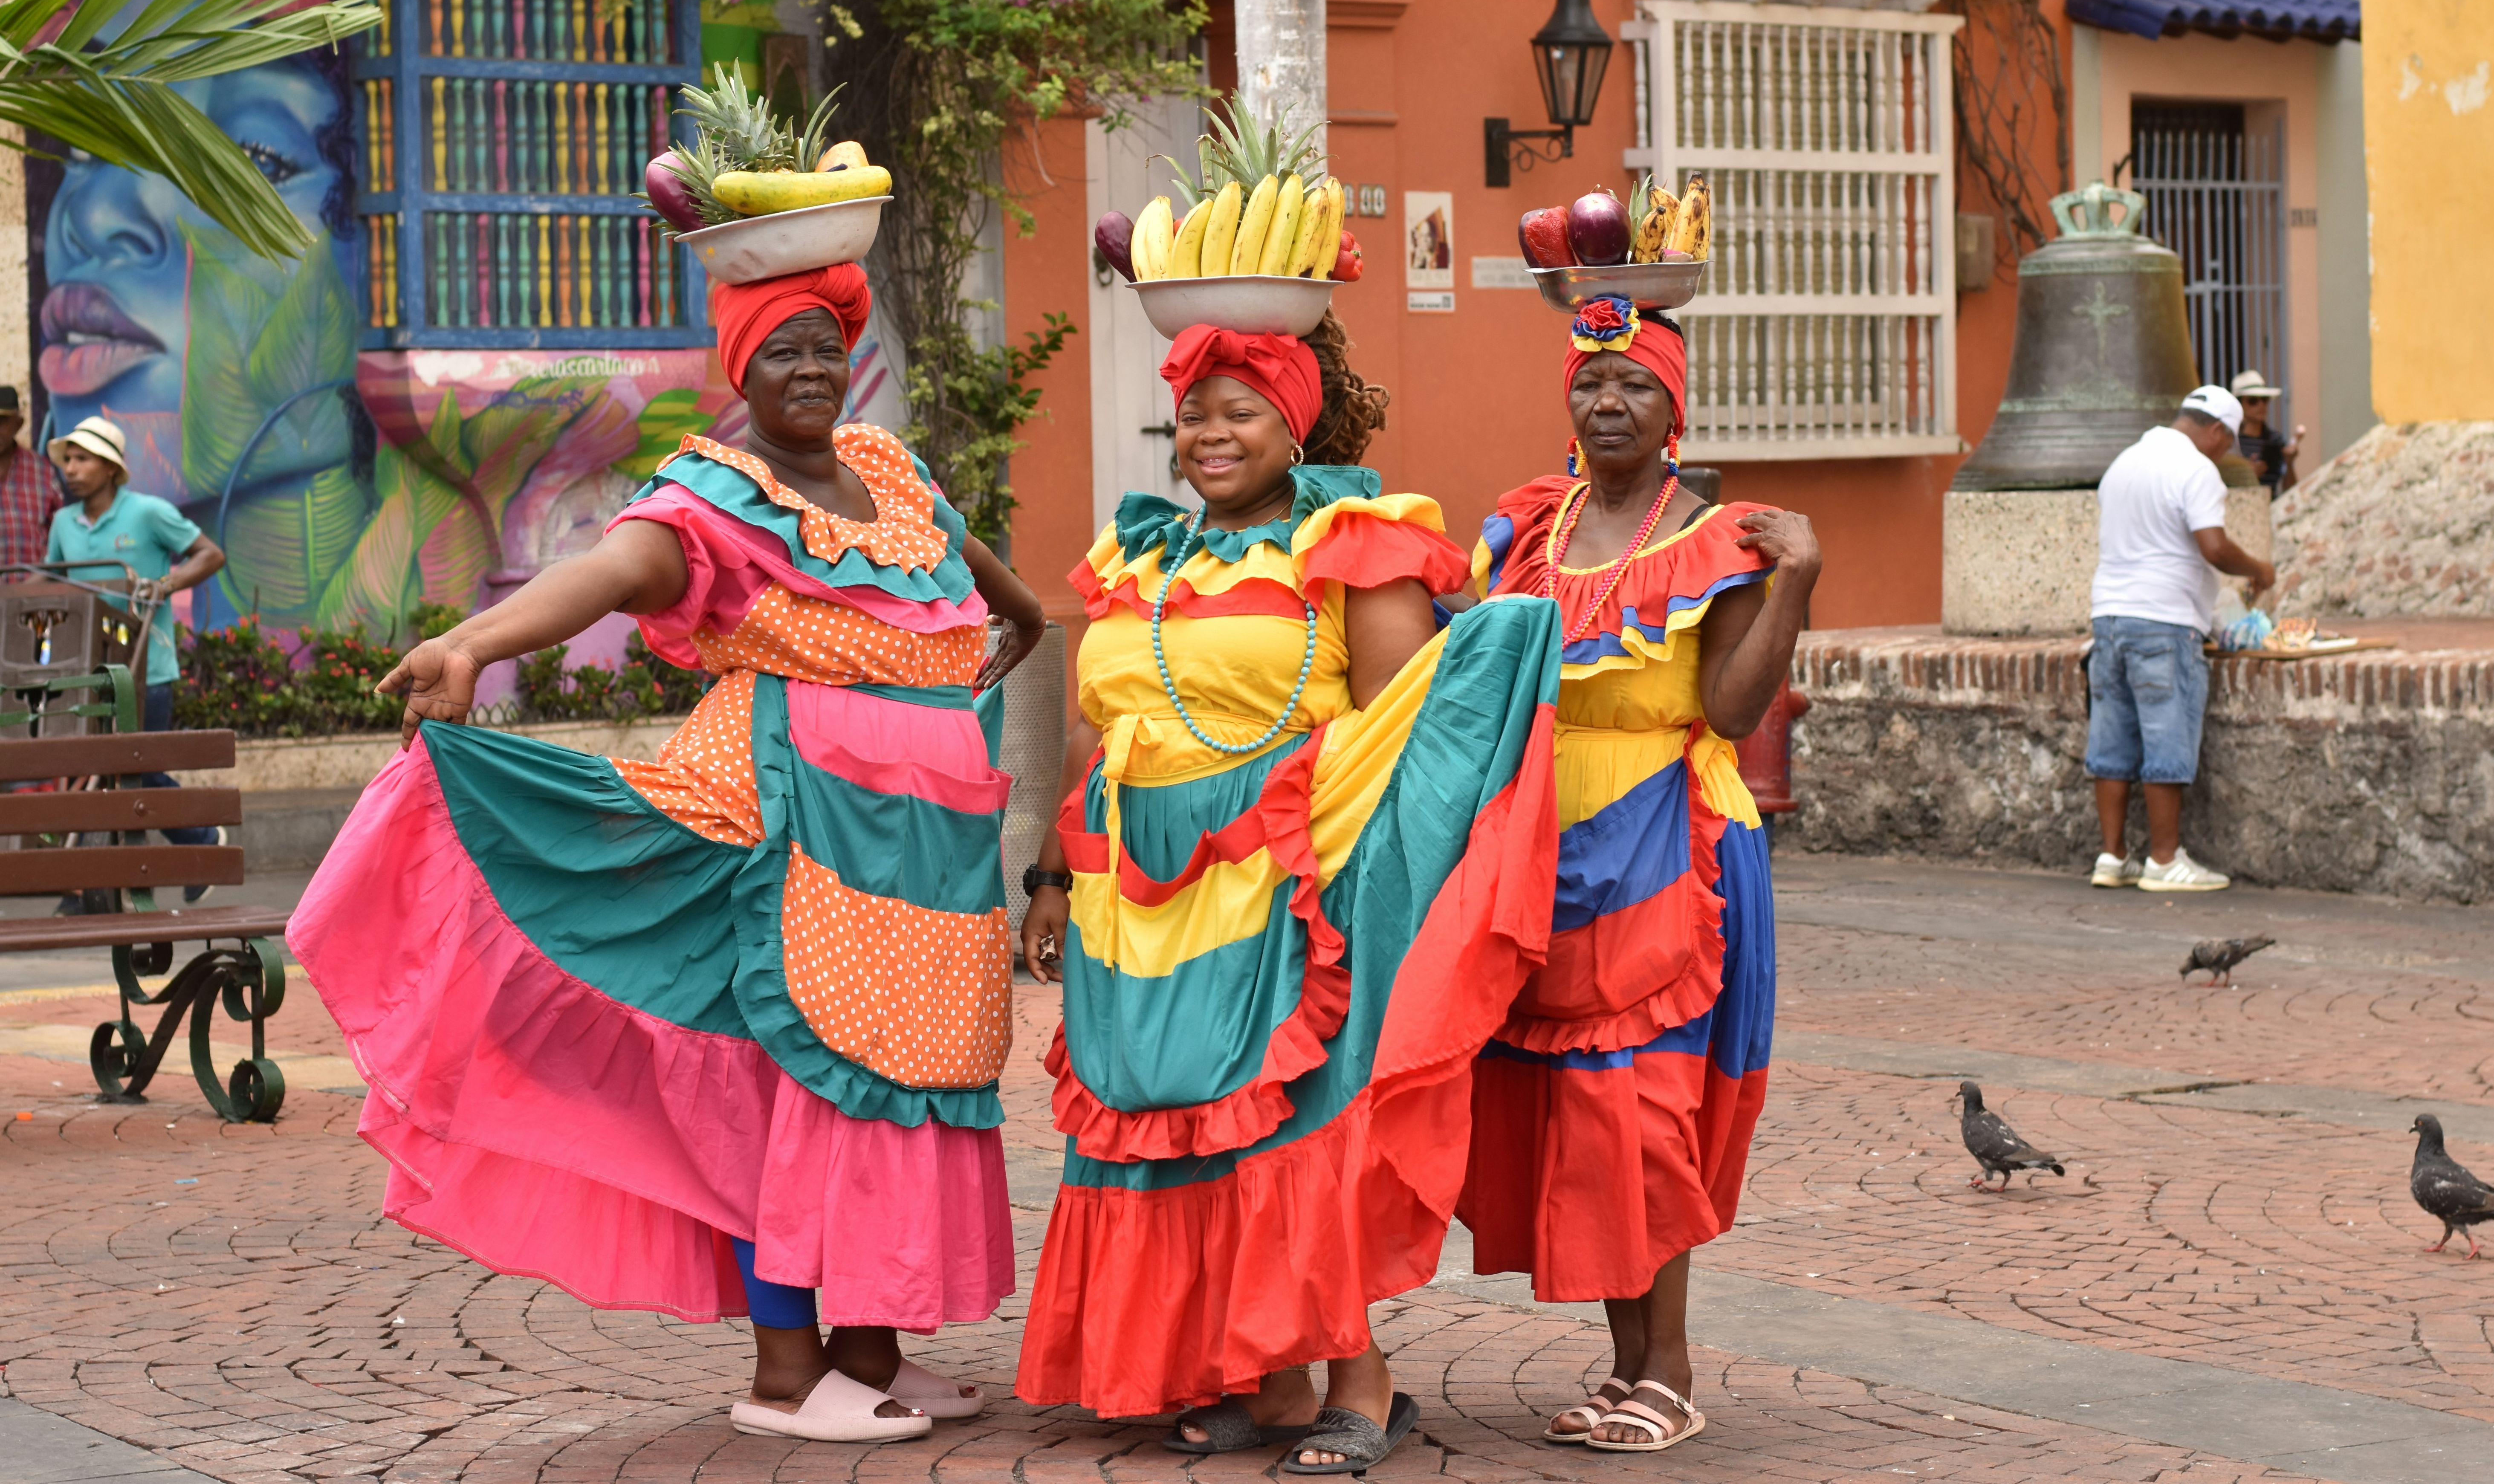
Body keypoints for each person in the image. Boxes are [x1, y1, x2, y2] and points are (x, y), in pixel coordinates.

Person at [285, 263, 1049, 1444]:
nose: (807, 367)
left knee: (903, 1075)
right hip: (785, 828)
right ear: (738, 367)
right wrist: (473, 641)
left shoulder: (889, 472)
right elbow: (609, 572)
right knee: (791, 1078)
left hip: (928, 856)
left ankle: (871, 1347)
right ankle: (791, 1377)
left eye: (822, 346)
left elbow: (977, 572)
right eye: (780, 348)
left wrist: (1022, 620)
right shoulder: (712, 495)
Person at [1013, 317, 1563, 1473]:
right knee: (1174, 1117)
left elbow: (1405, 727)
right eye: (1196, 411)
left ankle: (1358, 1381)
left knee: (1303, 1122)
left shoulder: (1352, 540)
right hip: (1134, 892)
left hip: (1288, 883)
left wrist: (1361, 886)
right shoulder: (1135, 558)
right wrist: (1052, 877)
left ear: (1296, 419)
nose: (1211, 433)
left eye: (1241, 410)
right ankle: (1261, 1379)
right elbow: (1087, 728)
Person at [1458, 298, 1819, 1456]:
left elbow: (1727, 708)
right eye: (1591, 382)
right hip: (1543, 848)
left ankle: (1667, 1366)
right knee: (1580, 1111)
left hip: (1668, 841)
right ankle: (1624, 1366)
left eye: (1635, 386)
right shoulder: (1526, 530)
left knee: (1641, 1108)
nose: (1608, 403)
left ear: (1676, 409)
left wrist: (1795, 585)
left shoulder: (1714, 537)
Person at [2087, 383, 2276, 894]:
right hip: (2164, 621)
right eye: (2228, 442)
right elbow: (2213, 547)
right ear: (2216, 431)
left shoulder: (2124, 462)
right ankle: (2165, 860)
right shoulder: (2196, 470)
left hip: (2108, 617)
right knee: (2166, 736)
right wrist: (2258, 568)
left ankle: (2112, 856)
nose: (2226, 453)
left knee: (2112, 737)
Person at [46, 415, 227, 892]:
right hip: (87, 673)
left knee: (136, 768)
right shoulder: (63, 522)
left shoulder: (149, 512)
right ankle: (98, 883)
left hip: (149, 668)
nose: (71, 467)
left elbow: (210, 554)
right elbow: (50, 585)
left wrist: (163, 585)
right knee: (99, 767)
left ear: (110, 468)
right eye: (67, 458)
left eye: (82, 458)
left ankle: (202, 841)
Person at [0, 386, 64, 572]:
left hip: (33, 594)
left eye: (2, 421)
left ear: (18, 424)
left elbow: (61, 534)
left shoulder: (40, 469)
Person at [2228, 370, 2300, 497]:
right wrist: (2248, 477)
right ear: (2239, 405)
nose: (2261, 405)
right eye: (2253, 401)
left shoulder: (2275, 440)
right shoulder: (2230, 441)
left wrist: (2289, 463)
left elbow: (2290, 492)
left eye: (2265, 400)